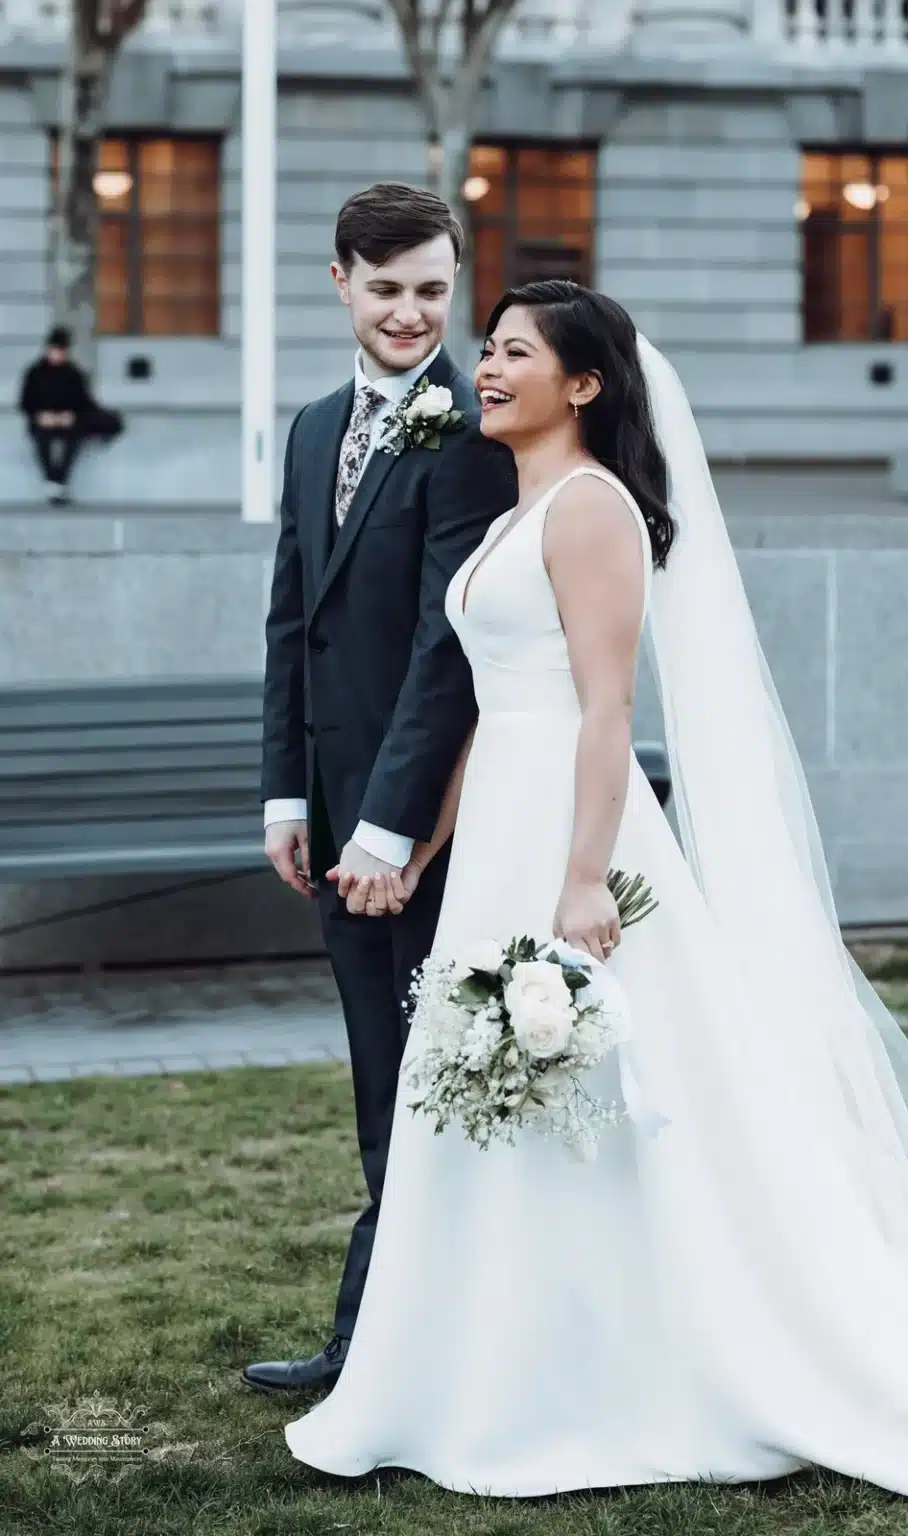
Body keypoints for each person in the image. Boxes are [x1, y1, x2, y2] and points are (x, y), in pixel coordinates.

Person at [284, 282, 908, 1499]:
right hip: (497, 833)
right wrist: (422, 842)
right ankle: (483, 1368)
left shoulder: (590, 511)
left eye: (514, 353)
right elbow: (484, 703)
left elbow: (604, 708)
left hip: (578, 838)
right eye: (491, 351)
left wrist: (584, 882)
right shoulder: (504, 517)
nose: (488, 368)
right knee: (486, 1093)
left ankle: (649, 1364)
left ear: (581, 384)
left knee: (625, 1094)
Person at [246, 184, 516, 1394]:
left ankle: (386, 1344)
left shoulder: (471, 431)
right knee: (378, 1076)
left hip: (422, 830)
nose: (412, 315)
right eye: (389, 288)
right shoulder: (310, 428)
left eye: (433, 292)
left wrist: (389, 828)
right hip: (330, 813)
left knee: (428, 1082)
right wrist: (285, 799)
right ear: (340, 280)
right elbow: (291, 621)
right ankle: (392, 1336)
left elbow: (442, 649)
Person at [18, 326, 122, 503]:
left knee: (73, 438)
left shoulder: (73, 373)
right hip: (42, 422)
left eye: (61, 350)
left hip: (68, 422)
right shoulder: (34, 373)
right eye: (55, 350)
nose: (57, 354)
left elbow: (84, 402)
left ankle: (56, 482)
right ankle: (54, 482)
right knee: (42, 439)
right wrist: (41, 416)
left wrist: (69, 416)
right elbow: (25, 402)